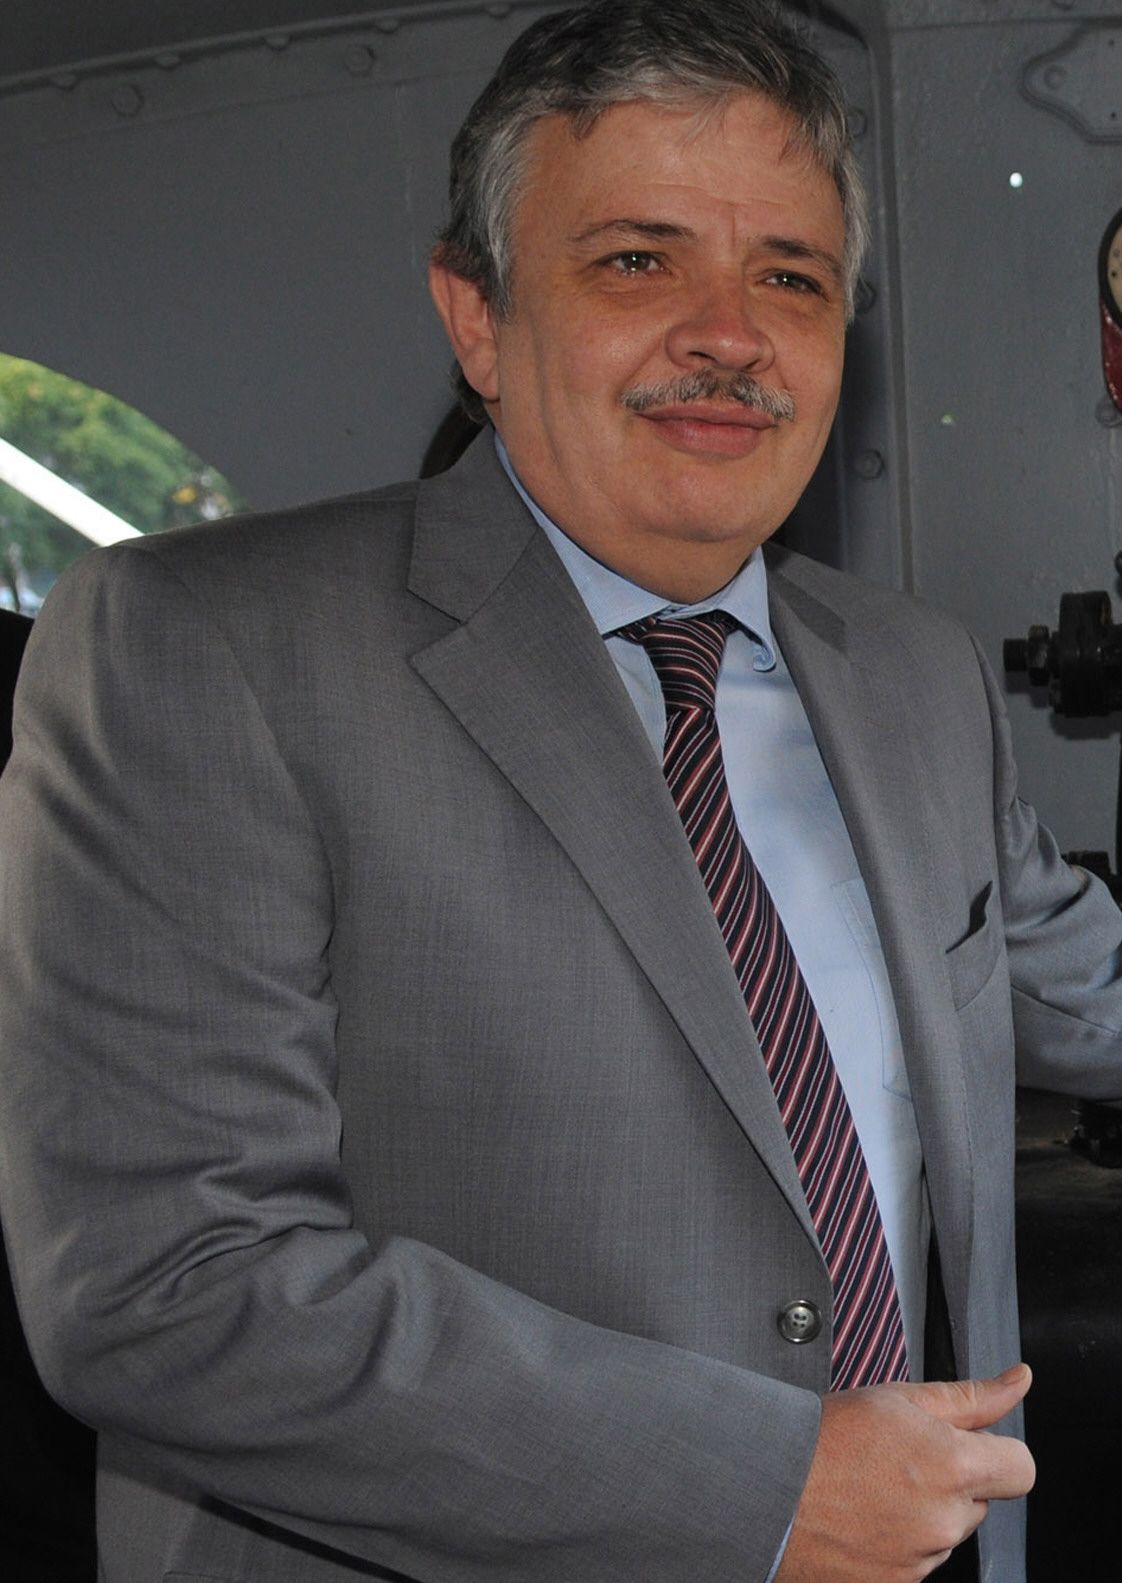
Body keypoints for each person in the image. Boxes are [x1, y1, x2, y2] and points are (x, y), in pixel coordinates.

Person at [0, 3, 1118, 1579]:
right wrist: (764, 1488)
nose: (728, 333)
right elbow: (169, 1286)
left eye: (790, 277)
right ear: (477, 317)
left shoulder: (913, 673)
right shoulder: (203, 646)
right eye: (637, 261)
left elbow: (1074, 981)